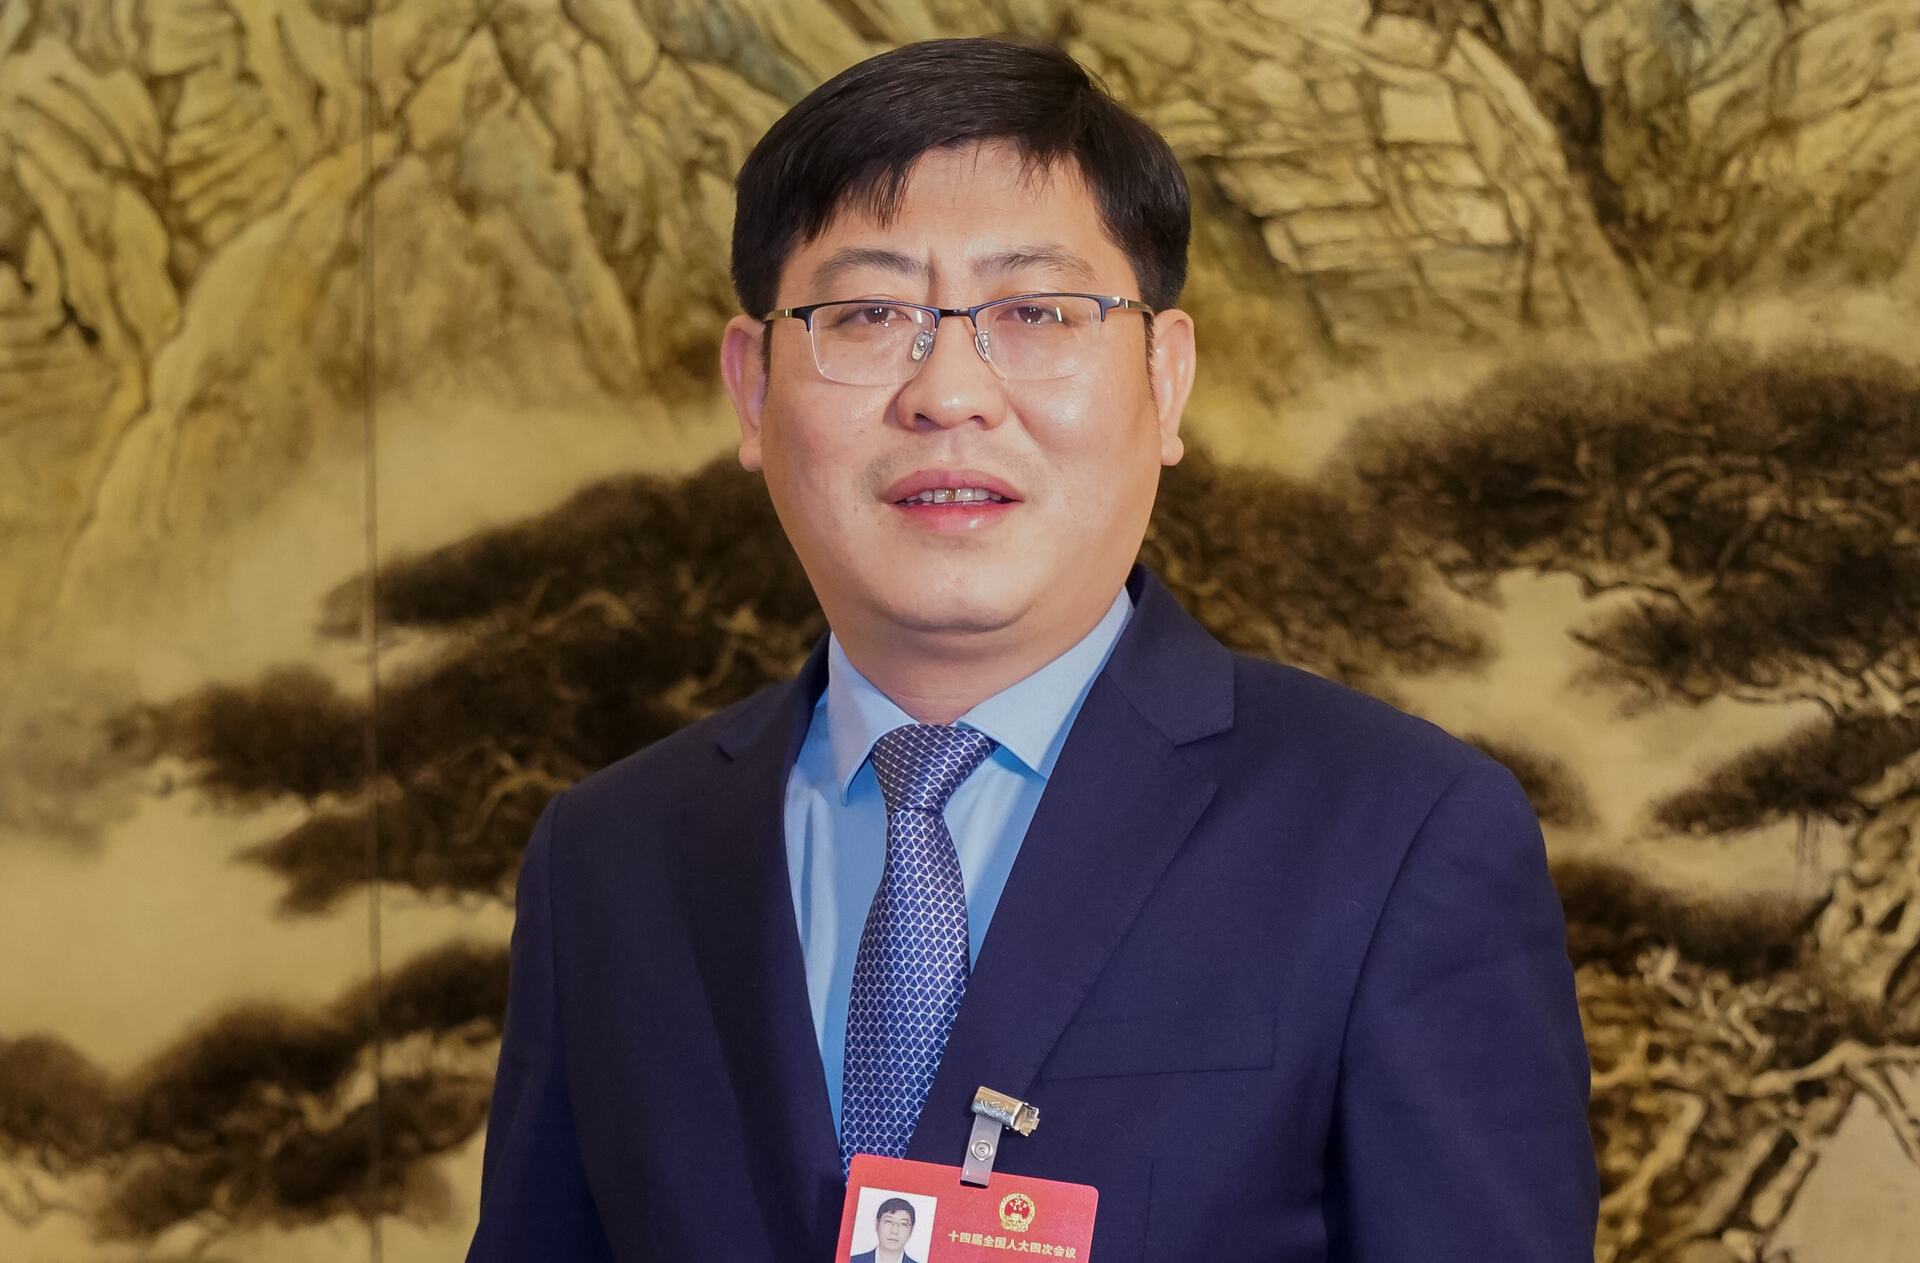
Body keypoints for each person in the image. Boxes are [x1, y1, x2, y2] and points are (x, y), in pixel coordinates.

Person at [467, 35, 1598, 1263]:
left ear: (1166, 379)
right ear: (752, 389)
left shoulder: (1399, 835)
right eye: (866, 314)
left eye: (1037, 312)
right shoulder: (609, 858)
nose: (948, 391)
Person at [848, 1198, 921, 1263]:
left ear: (911, 1230)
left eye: (903, 1224)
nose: (894, 1231)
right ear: (877, 1224)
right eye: (889, 1221)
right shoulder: (851, 1261)